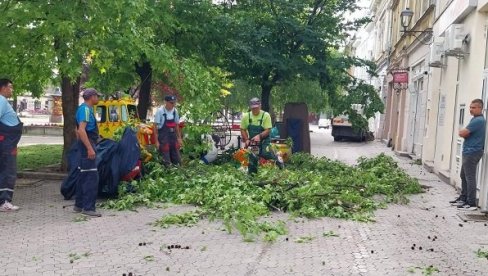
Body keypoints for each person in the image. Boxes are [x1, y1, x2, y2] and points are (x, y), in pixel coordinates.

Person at [450, 99, 486, 211]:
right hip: (468, 151)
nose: (471, 109)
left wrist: (465, 133)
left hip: (472, 151)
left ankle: (471, 203)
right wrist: (465, 133)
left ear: (480, 108)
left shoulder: (479, 120)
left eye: (473, 107)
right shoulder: (474, 119)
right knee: (463, 175)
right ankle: (464, 198)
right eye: (470, 107)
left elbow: (462, 133)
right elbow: (464, 133)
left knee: (469, 177)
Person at [74, 88, 102, 217]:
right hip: (87, 145)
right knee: (91, 177)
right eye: (97, 96)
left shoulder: (84, 109)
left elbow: (77, 130)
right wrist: (89, 148)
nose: (98, 98)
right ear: (92, 97)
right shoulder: (85, 109)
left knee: (82, 175)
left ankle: (79, 205)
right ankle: (88, 208)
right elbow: (81, 130)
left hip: (85, 144)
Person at [0, 79, 23, 211]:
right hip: (6, 143)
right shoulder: (1, 100)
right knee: (8, 171)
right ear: (3, 88)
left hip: (8, 142)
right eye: (10, 87)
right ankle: (5, 201)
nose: (11, 90)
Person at [154, 95, 183, 166]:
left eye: (174, 103)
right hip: (163, 137)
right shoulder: (160, 111)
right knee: (166, 159)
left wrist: (179, 138)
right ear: (166, 102)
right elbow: (155, 127)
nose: (173, 105)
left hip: (173, 137)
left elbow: (176, 125)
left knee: (177, 159)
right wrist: (156, 141)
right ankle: (167, 172)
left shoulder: (175, 111)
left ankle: (177, 171)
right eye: (171, 103)